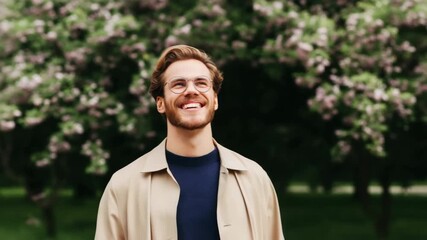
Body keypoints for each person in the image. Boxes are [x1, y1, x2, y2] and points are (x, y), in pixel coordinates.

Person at [95, 45, 285, 240]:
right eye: (178, 84)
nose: (191, 90)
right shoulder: (123, 186)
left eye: (201, 83)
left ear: (215, 99)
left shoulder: (255, 179)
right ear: (160, 103)